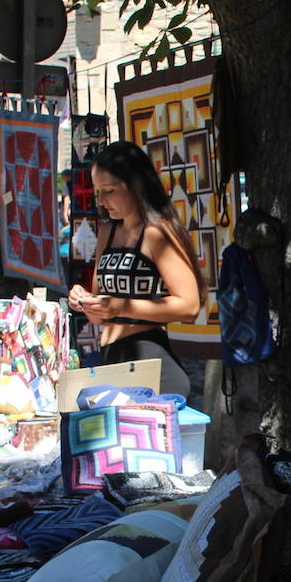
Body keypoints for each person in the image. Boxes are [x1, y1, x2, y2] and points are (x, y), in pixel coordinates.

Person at [68, 141, 202, 398]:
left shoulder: (156, 233)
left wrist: (123, 306)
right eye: (97, 191)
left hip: (151, 364)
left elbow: (190, 306)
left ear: (135, 185)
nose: (102, 201)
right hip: (112, 361)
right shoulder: (107, 232)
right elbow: (101, 314)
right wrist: (84, 301)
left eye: (109, 191)